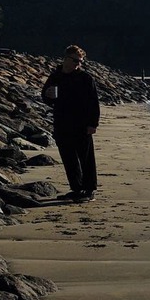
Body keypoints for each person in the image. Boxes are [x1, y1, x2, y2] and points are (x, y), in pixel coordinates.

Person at [42, 44, 100, 202]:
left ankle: (89, 190)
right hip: (62, 122)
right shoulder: (56, 76)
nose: (78, 64)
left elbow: (94, 103)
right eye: (75, 60)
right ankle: (76, 188)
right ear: (66, 59)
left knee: (86, 158)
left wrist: (93, 124)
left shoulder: (85, 78)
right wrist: (47, 96)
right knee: (69, 158)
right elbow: (45, 96)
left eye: (80, 61)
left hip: (82, 124)